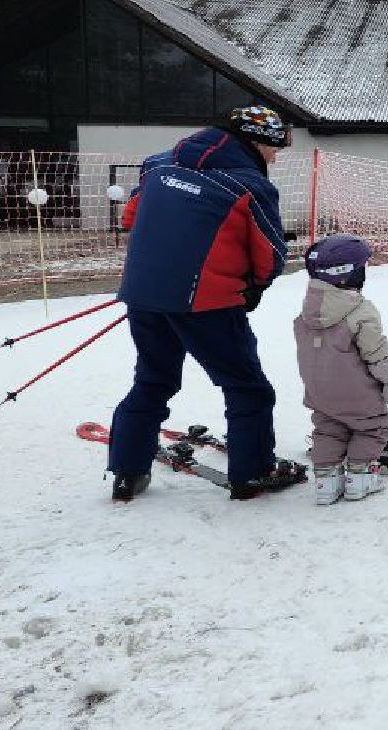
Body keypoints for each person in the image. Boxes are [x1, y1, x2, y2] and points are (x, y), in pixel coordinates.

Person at [106, 105, 301, 502]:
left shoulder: (157, 166)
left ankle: (127, 473)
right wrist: (254, 287)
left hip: (144, 294)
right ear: (255, 141)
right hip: (207, 303)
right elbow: (269, 254)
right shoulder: (249, 184)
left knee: (152, 381)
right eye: (273, 147)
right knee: (247, 388)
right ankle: (252, 473)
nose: (275, 156)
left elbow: (131, 218)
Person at [293, 233, 388, 505]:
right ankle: (359, 475)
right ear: (348, 275)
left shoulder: (307, 313)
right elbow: (376, 353)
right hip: (357, 391)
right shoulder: (361, 312)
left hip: (319, 390)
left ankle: (326, 482)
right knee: (375, 426)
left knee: (329, 430)